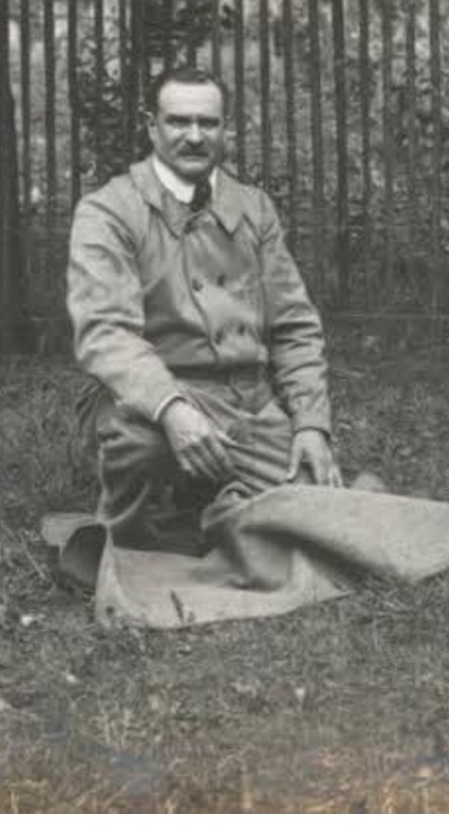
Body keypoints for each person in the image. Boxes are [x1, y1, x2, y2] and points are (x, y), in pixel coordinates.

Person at [66, 66, 343, 556]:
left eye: (208, 123)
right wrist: (173, 410)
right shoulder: (108, 211)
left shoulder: (254, 208)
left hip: (249, 404)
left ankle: (213, 505)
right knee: (138, 439)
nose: (194, 136)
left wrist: (310, 424)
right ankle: (139, 532)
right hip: (151, 397)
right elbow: (105, 333)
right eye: (178, 122)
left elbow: (295, 328)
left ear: (226, 130)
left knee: (328, 516)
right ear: (151, 127)